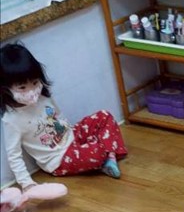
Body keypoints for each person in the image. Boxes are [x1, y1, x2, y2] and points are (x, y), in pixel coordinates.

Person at [0, 41, 127, 190]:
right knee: (97, 150)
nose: (32, 91)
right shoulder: (12, 120)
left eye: (35, 82)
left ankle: (107, 157)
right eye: (22, 87)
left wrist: (77, 136)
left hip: (71, 136)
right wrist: (26, 183)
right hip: (58, 160)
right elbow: (14, 156)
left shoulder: (43, 97)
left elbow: (59, 117)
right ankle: (106, 153)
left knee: (104, 116)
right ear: (5, 89)